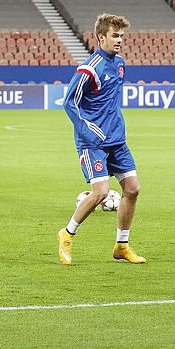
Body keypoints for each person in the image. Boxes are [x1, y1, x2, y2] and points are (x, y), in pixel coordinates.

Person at [58, 14, 145, 265]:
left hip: (117, 139)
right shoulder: (89, 68)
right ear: (101, 37)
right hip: (93, 142)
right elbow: (69, 102)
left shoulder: (119, 64)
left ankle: (121, 245)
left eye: (122, 36)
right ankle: (67, 234)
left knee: (132, 188)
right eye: (115, 36)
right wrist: (87, 129)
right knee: (101, 192)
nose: (120, 40)